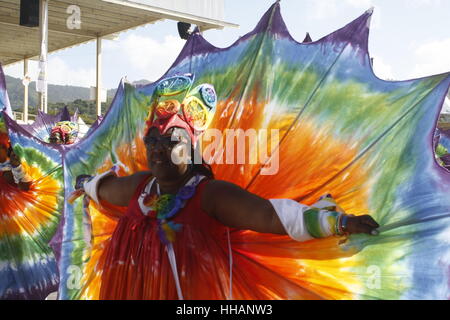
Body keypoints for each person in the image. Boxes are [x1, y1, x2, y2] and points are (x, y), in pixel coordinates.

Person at [74, 75, 379, 299]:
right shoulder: (139, 187)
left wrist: (338, 222)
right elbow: (99, 189)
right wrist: (84, 182)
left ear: (191, 147)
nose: (157, 149)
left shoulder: (210, 195)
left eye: (171, 141)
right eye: (152, 140)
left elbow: (271, 216)